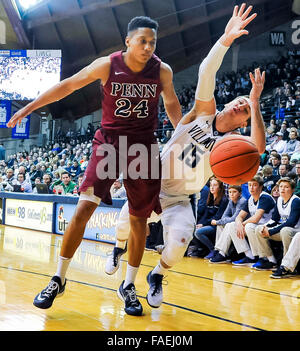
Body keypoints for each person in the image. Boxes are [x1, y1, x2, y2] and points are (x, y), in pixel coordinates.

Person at [7, 16, 182, 312]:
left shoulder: (162, 70)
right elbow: (67, 86)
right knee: (84, 208)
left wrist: (184, 139)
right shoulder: (108, 65)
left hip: (144, 146)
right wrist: (28, 107)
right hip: (110, 143)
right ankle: (58, 279)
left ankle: (128, 286)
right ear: (128, 41)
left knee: (139, 220)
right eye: (143, 41)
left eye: (153, 42)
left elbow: (173, 105)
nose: (149, 47)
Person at [106, 4, 266, 313]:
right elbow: (207, 70)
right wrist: (226, 39)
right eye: (239, 101)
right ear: (228, 102)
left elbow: (258, 149)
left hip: (180, 197)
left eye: (245, 109)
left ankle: (156, 275)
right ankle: (117, 248)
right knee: (123, 226)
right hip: (152, 185)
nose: (240, 106)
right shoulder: (203, 112)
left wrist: (256, 102)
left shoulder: (234, 144)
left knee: (179, 241)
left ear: (245, 120)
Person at [210, 175, 275, 265]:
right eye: (249, 185)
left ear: (260, 187)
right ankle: (247, 255)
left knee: (248, 226)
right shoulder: (250, 199)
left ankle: (262, 257)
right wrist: (239, 223)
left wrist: (242, 224)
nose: (251, 188)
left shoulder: (265, 197)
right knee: (231, 225)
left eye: (254, 185)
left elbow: (256, 218)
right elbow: (238, 217)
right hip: (256, 226)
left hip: (268, 226)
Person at [254, 177, 300, 269]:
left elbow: (291, 222)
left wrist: (271, 231)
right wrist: (265, 227)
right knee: (259, 229)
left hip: (295, 231)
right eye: (281, 186)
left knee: (285, 230)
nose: (282, 189)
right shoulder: (279, 200)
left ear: (292, 190)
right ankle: (271, 260)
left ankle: (286, 264)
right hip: (282, 230)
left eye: (286, 187)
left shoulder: (296, 201)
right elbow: (274, 219)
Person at [187, 177, 228, 259]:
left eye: (215, 185)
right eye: (211, 185)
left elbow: (217, 217)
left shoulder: (224, 200)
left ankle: (213, 250)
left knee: (198, 232)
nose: (212, 187)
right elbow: (206, 215)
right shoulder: (210, 198)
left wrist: (203, 224)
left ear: (220, 187)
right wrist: (200, 224)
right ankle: (202, 249)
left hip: (216, 225)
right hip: (209, 223)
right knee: (191, 229)